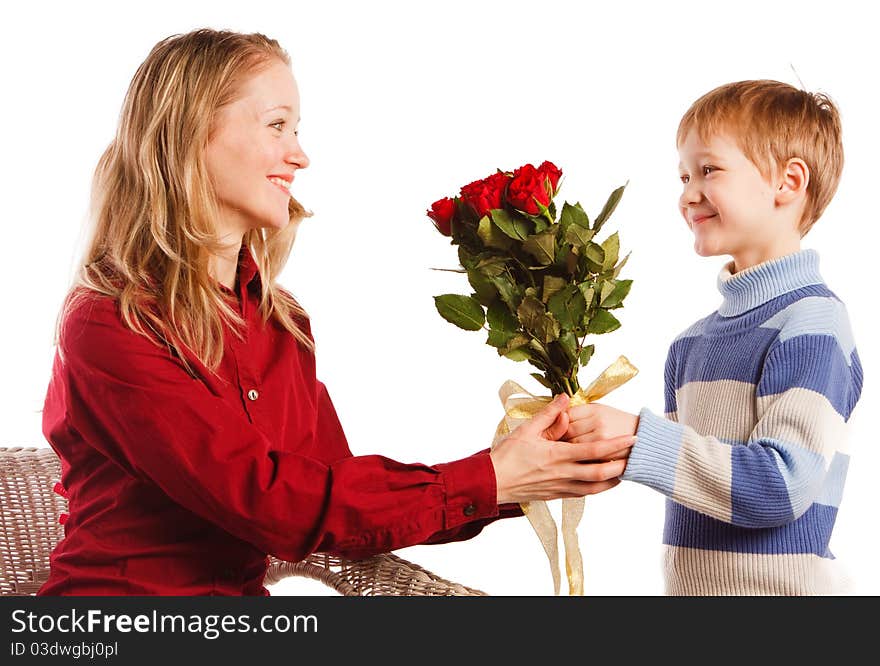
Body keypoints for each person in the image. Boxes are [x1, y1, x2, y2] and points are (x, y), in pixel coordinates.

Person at [37, 29, 634, 596]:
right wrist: (490, 477)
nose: (299, 156)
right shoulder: (110, 321)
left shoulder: (279, 322)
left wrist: (525, 467)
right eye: (277, 126)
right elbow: (274, 503)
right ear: (191, 133)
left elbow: (335, 498)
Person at [564, 80, 864, 595]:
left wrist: (637, 438)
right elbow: (696, 478)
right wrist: (598, 446)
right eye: (683, 176)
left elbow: (781, 485)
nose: (687, 194)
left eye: (708, 170)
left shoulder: (813, 325)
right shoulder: (690, 345)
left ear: (788, 182)